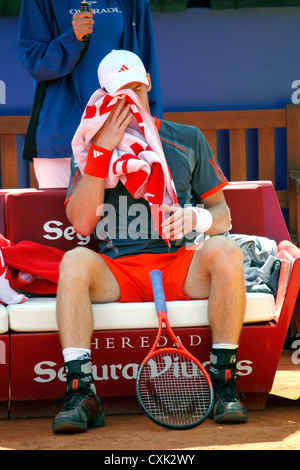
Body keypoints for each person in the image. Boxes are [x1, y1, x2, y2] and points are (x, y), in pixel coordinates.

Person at [52, 49, 248, 434]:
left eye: (137, 91)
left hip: (178, 266)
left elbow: (223, 216)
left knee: (226, 249)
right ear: (105, 98)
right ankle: (82, 391)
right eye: (121, 96)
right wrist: (102, 151)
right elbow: (80, 223)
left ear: (149, 86)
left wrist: (196, 217)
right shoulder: (92, 145)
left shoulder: (186, 137)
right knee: (74, 260)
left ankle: (223, 382)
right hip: (117, 272)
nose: (131, 104)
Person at [18, 0, 162, 188]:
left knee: (117, 216)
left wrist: (152, 127)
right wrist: (73, 39)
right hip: (61, 138)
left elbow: (145, 65)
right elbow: (35, 61)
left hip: (121, 133)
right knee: (57, 216)